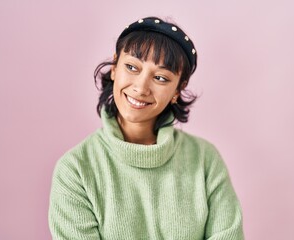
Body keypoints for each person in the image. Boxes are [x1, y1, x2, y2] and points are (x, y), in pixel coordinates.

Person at [48, 16, 244, 240]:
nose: (141, 88)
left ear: (178, 90)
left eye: (160, 78)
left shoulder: (205, 160)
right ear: (114, 67)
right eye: (132, 67)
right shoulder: (75, 170)